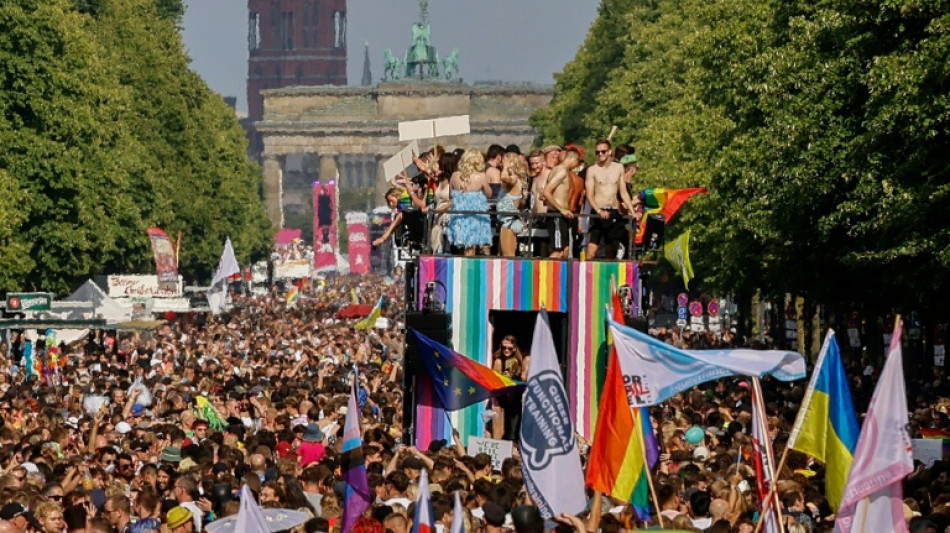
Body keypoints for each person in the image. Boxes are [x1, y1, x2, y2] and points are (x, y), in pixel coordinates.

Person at [585, 140, 637, 259]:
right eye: (597, 152)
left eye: (603, 151)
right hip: (598, 211)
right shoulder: (592, 170)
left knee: (610, 250)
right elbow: (589, 195)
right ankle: (586, 270)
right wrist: (599, 211)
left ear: (609, 152)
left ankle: (608, 271)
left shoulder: (618, 168)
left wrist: (632, 211)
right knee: (591, 250)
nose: (600, 154)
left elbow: (623, 192)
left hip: (613, 210)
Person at [447, 149, 493, 256]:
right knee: (471, 249)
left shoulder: (454, 176)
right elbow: (489, 194)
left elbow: (450, 196)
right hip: (475, 216)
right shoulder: (481, 176)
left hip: (459, 215)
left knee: (461, 248)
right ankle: (469, 267)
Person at [542, 148, 580, 258]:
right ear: (573, 159)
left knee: (565, 250)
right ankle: (544, 269)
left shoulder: (555, 170)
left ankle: (557, 270)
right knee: (558, 251)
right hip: (557, 214)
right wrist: (561, 209)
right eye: (577, 162)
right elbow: (546, 192)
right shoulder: (561, 171)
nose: (576, 166)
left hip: (560, 215)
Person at [497, 153, 528, 257]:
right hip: (506, 220)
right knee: (504, 254)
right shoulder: (512, 180)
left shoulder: (514, 179)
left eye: (504, 161)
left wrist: (506, 166)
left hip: (509, 222)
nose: (502, 163)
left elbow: (503, 177)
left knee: (508, 255)